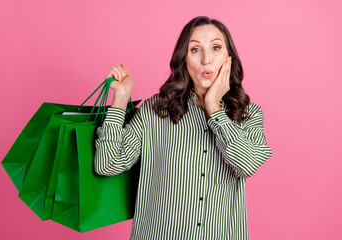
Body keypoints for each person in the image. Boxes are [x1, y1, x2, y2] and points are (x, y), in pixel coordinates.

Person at [94, 16, 273, 240]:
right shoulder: (156, 109)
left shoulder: (248, 114)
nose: (206, 59)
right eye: (195, 49)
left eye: (216, 48)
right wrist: (120, 98)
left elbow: (247, 165)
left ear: (229, 58)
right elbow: (107, 164)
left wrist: (214, 109)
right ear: (184, 59)